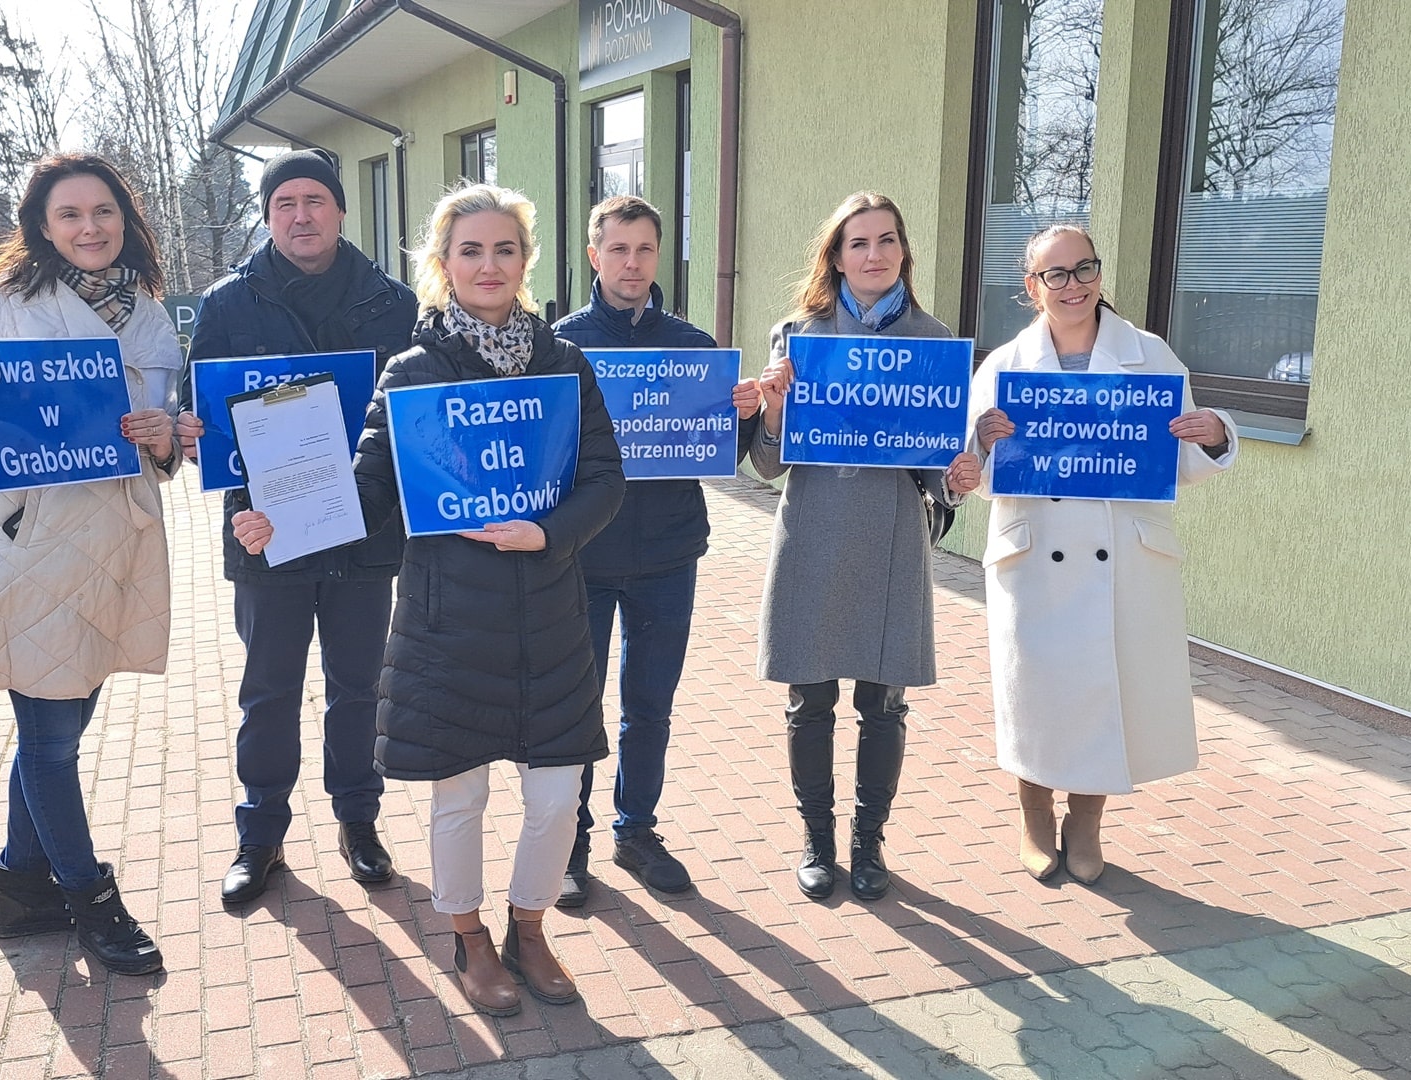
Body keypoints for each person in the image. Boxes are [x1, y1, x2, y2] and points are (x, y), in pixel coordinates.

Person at [237, 183, 624, 1015]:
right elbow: (370, 486)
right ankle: (470, 938)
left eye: (505, 249)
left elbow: (604, 477)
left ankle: (530, 926)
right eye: (471, 250)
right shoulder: (412, 372)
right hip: (450, 619)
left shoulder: (565, 362)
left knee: (557, 796)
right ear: (444, 264)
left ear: (525, 260)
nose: (489, 265)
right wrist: (286, 518)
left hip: (551, 618)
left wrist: (549, 534)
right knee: (462, 795)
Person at [0, 152, 179, 975]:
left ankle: (21, 886)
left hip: (115, 544)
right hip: (30, 544)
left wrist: (165, 439)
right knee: (51, 739)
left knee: (58, 731)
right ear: (41, 225)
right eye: (69, 214)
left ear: (124, 218)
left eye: (103, 211)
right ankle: (91, 901)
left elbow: (165, 433)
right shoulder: (0, 305)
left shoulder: (147, 310)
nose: (89, 227)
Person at [174, 148, 416, 906]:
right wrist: (191, 436)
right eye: (285, 203)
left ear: (340, 211)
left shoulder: (394, 304)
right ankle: (261, 834)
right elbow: (199, 411)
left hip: (365, 528)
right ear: (268, 216)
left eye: (315, 200)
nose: (301, 215)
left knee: (358, 687)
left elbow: (413, 413)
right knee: (268, 690)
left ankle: (359, 822)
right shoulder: (227, 304)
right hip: (265, 531)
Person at [967, 223, 1236, 885]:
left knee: (1103, 691)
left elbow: (1176, 461)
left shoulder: (1149, 355)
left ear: (1098, 273)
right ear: (1032, 287)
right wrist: (982, 443)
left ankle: (1085, 821)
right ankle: (1034, 815)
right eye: (1055, 274)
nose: (1073, 285)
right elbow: (971, 474)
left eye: (1084, 268)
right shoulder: (1005, 365)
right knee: (1036, 696)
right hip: (1034, 558)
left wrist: (1212, 433)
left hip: (1122, 559)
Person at [748, 191, 982, 902]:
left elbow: (940, 471)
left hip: (890, 539)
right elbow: (768, 464)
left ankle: (868, 841)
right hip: (813, 532)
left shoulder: (935, 341)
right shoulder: (798, 334)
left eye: (886, 240)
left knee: (884, 705)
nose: (874, 254)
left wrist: (957, 477)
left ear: (904, 252)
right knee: (809, 701)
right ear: (837, 256)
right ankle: (818, 841)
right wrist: (775, 409)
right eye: (859, 242)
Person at [549, 195, 760, 906]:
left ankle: (635, 830)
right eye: (618, 249)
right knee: (575, 707)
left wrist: (742, 417)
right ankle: (569, 843)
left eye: (644, 249)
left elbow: (722, 454)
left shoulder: (694, 348)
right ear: (594, 256)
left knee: (651, 705)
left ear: (659, 256)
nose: (632, 263)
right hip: (583, 558)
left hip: (669, 556)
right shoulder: (561, 347)